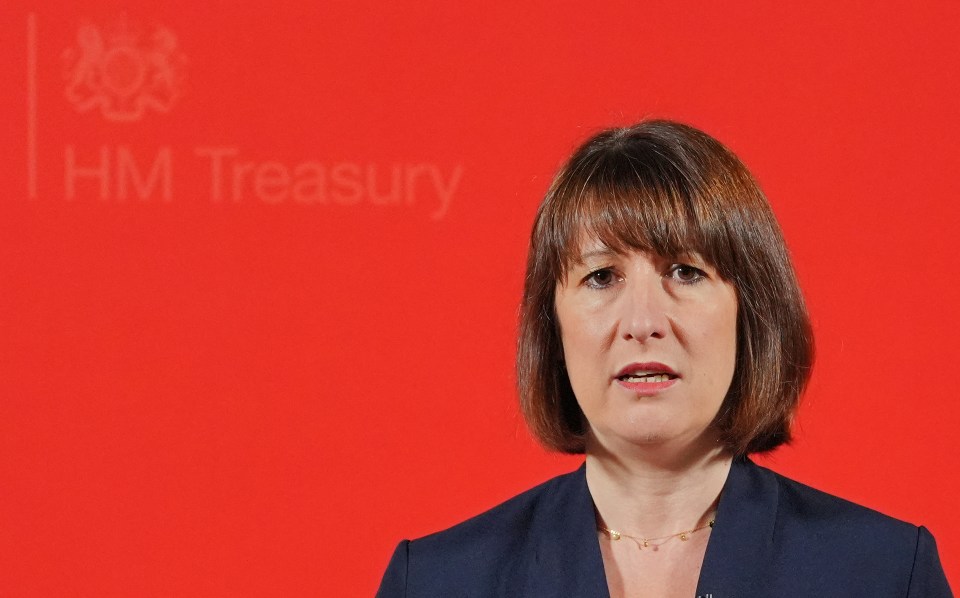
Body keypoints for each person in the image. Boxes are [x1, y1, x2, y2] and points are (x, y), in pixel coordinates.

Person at [375, 120, 953, 597]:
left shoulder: (882, 573)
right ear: (551, 327)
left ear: (749, 311)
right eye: (601, 276)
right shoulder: (438, 581)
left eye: (686, 271)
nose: (644, 322)